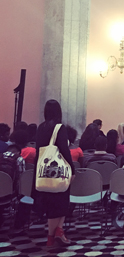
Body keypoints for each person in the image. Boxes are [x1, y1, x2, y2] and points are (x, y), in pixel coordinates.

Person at [34, 99, 75, 247]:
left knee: (51, 203)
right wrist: (72, 168)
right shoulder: (60, 128)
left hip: (43, 170)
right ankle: (52, 236)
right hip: (58, 171)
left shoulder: (40, 128)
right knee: (62, 201)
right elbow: (64, 150)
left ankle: (58, 232)